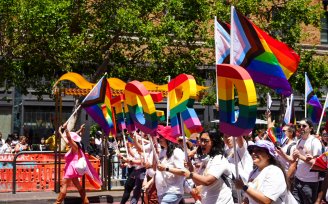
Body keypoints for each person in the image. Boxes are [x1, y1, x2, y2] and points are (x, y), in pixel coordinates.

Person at [55, 123, 102, 204]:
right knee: (78, 186)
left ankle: (57, 202)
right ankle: (85, 201)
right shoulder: (74, 146)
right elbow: (67, 138)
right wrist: (60, 132)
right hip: (72, 169)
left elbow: (69, 138)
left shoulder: (74, 147)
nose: (69, 140)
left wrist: (66, 129)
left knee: (64, 185)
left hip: (70, 169)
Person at [184, 129, 234, 204]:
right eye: (201, 140)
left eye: (206, 141)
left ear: (214, 142)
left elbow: (207, 181)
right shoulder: (210, 159)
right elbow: (199, 183)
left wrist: (190, 174)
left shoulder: (219, 159)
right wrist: (190, 167)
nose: (202, 144)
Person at [292, 119, 322, 204]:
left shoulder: (315, 142)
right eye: (299, 126)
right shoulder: (299, 141)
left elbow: (317, 164)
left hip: (309, 182)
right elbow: (295, 160)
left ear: (310, 128)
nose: (301, 128)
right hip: (297, 179)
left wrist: (300, 156)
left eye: (304, 126)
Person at [155, 125, 186, 204]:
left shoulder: (177, 151)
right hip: (161, 191)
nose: (159, 139)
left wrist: (166, 168)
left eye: (162, 137)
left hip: (172, 190)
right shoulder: (162, 151)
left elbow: (183, 171)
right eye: (159, 137)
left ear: (168, 139)